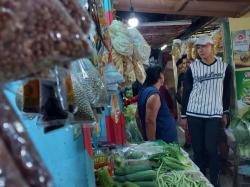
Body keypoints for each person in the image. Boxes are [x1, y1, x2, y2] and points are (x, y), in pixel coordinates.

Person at [180, 35, 232, 187]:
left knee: (211, 148)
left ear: (212, 47)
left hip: (214, 114)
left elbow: (226, 93)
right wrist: (183, 116)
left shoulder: (224, 68)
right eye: (198, 47)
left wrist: (226, 112)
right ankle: (200, 182)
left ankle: (215, 183)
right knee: (198, 150)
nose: (201, 50)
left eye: (204, 46)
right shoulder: (192, 69)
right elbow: (187, 92)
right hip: (194, 113)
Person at [135, 66, 177, 143]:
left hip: (163, 139)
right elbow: (150, 121)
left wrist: (144, 135)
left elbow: (137, 116)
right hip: (163, 141)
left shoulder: (143, 92)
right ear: (160, 76)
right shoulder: (154, 95)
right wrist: (153, 143)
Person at [176, 55, 192, 150]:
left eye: (188, 62)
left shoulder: (196, 74)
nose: (186, 65)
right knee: (187, 126)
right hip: (185, 103)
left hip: (196, 104)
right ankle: (189, 141)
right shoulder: (182, 75)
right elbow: (179, 90)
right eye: (184, 63)